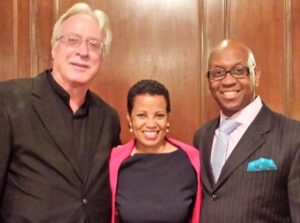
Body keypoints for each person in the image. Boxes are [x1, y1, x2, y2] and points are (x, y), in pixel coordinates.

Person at [0, 3, 121, 222]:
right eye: (72, 40)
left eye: (94, 44)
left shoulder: (108, 118)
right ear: (54, 48)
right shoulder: (8, 100)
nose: (83, 52)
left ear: (101, 56)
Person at [193, 39, 300, 222]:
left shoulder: (293, 136)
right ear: (209, 81)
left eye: (238, 70)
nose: (227, 81)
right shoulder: (202, 137)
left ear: (256, 75)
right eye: (218, 73)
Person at [109, 80, 201, 223]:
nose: (151, 124)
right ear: (129, 118)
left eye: (159, 115)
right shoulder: (115, 162)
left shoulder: (192, 160)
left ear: (167, 118)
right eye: (142, 115)